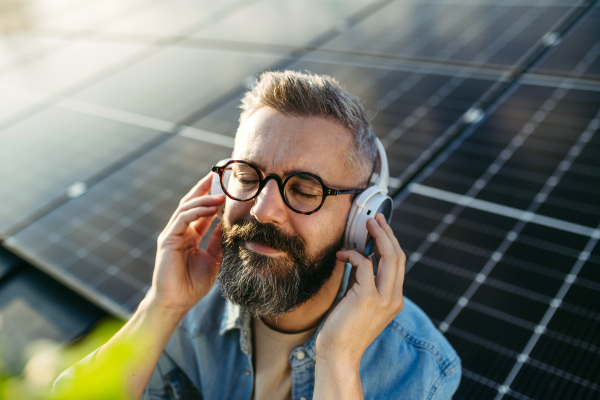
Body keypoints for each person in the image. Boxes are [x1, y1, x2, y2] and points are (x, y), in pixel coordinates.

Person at [53, 71, 461, 400]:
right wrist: (162, 307)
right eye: (247, 177)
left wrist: (338, 359)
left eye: (303, 189)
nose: (263, 210)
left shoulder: (420, 365)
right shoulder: (187, 309)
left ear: (362, 216)